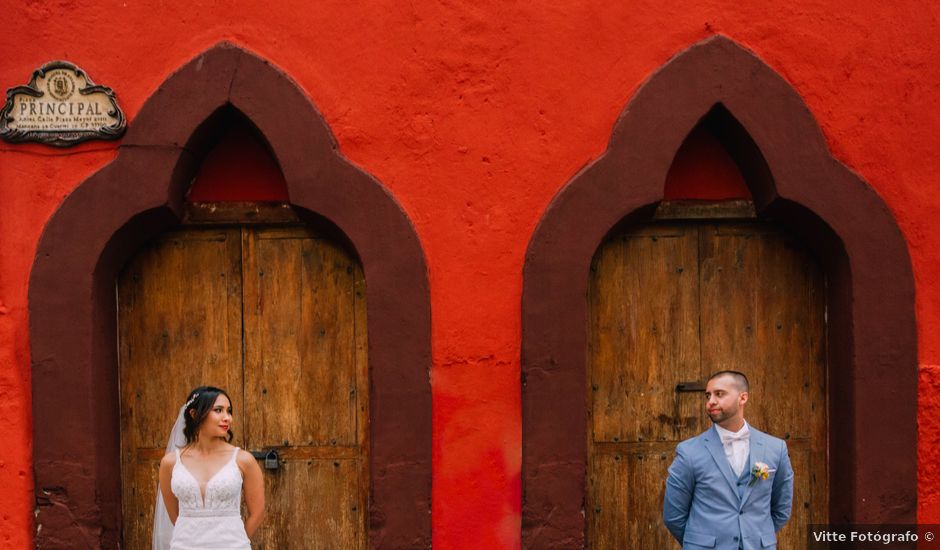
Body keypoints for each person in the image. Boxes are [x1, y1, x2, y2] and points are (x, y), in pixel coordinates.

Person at [663, 371, 793, 549]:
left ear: (743, 397)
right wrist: (701, 543)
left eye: (719, 394)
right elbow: (673, 515)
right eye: (708, 396)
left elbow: (781, 509)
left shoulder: (775, 448)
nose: (711, 402)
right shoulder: (689, 452)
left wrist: (754, 537)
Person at [153, 386, 265, 550]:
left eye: (229, 411)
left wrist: (237, 542)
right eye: (218, 410)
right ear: (194, 414)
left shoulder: (243, 460)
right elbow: (175, 515)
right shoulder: (170, 463)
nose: (227, 418)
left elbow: (258, 513)